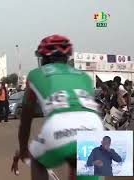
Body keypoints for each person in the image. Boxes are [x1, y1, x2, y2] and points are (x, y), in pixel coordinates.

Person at [10, 35, 104, 180]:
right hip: (95, 128)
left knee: (37, 159)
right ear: (67, 57)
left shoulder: (35, 74)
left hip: (59, 129)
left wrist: (23, 150)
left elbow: (25, 119)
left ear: (43, 59)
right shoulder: (85, 76)